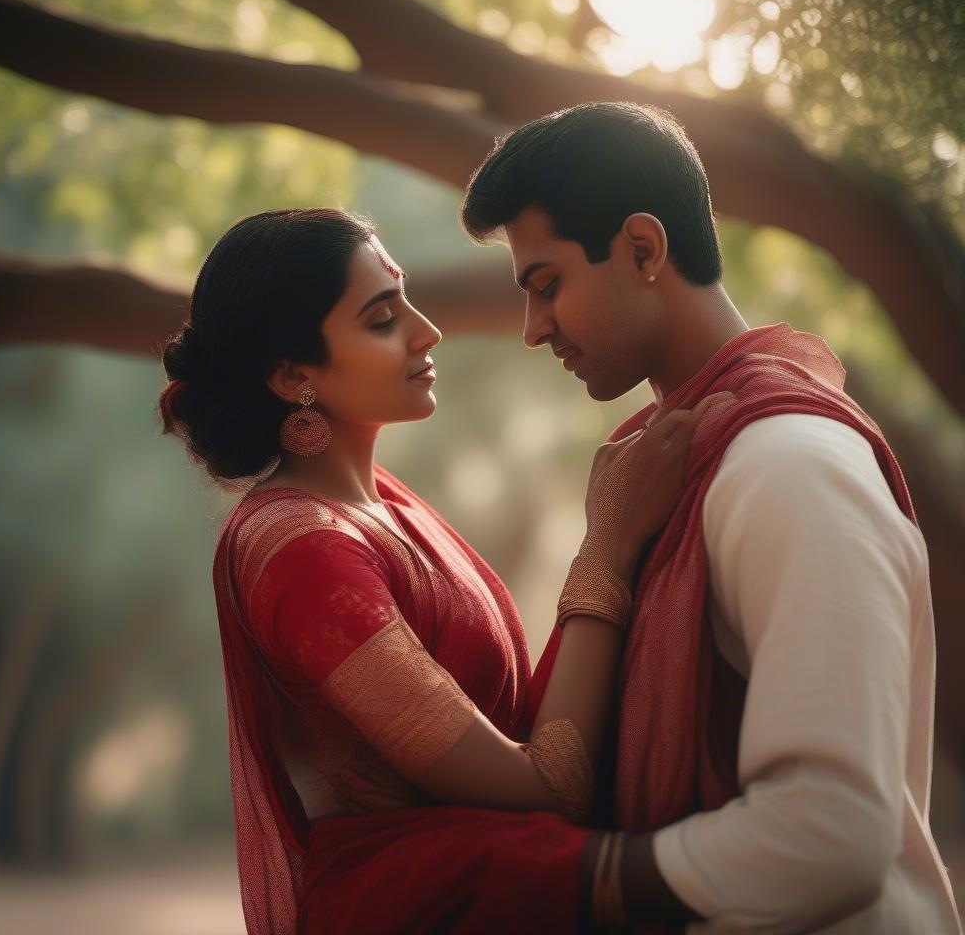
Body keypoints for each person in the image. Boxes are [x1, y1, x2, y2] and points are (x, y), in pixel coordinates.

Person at [460, 100, 963, 933]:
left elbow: (831, 832)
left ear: (644, 249)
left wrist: (568, 882)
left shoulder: (790, 467)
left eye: (547, 285)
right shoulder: (671, 467)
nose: (532, 328)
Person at [158, 207, 725, 934]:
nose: (427, 331)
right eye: (381, 318)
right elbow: (547, 789)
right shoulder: (302, 552)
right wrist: (608, 547)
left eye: (406, 299)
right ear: (293, 373)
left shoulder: (379, 508)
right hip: (420, 909)